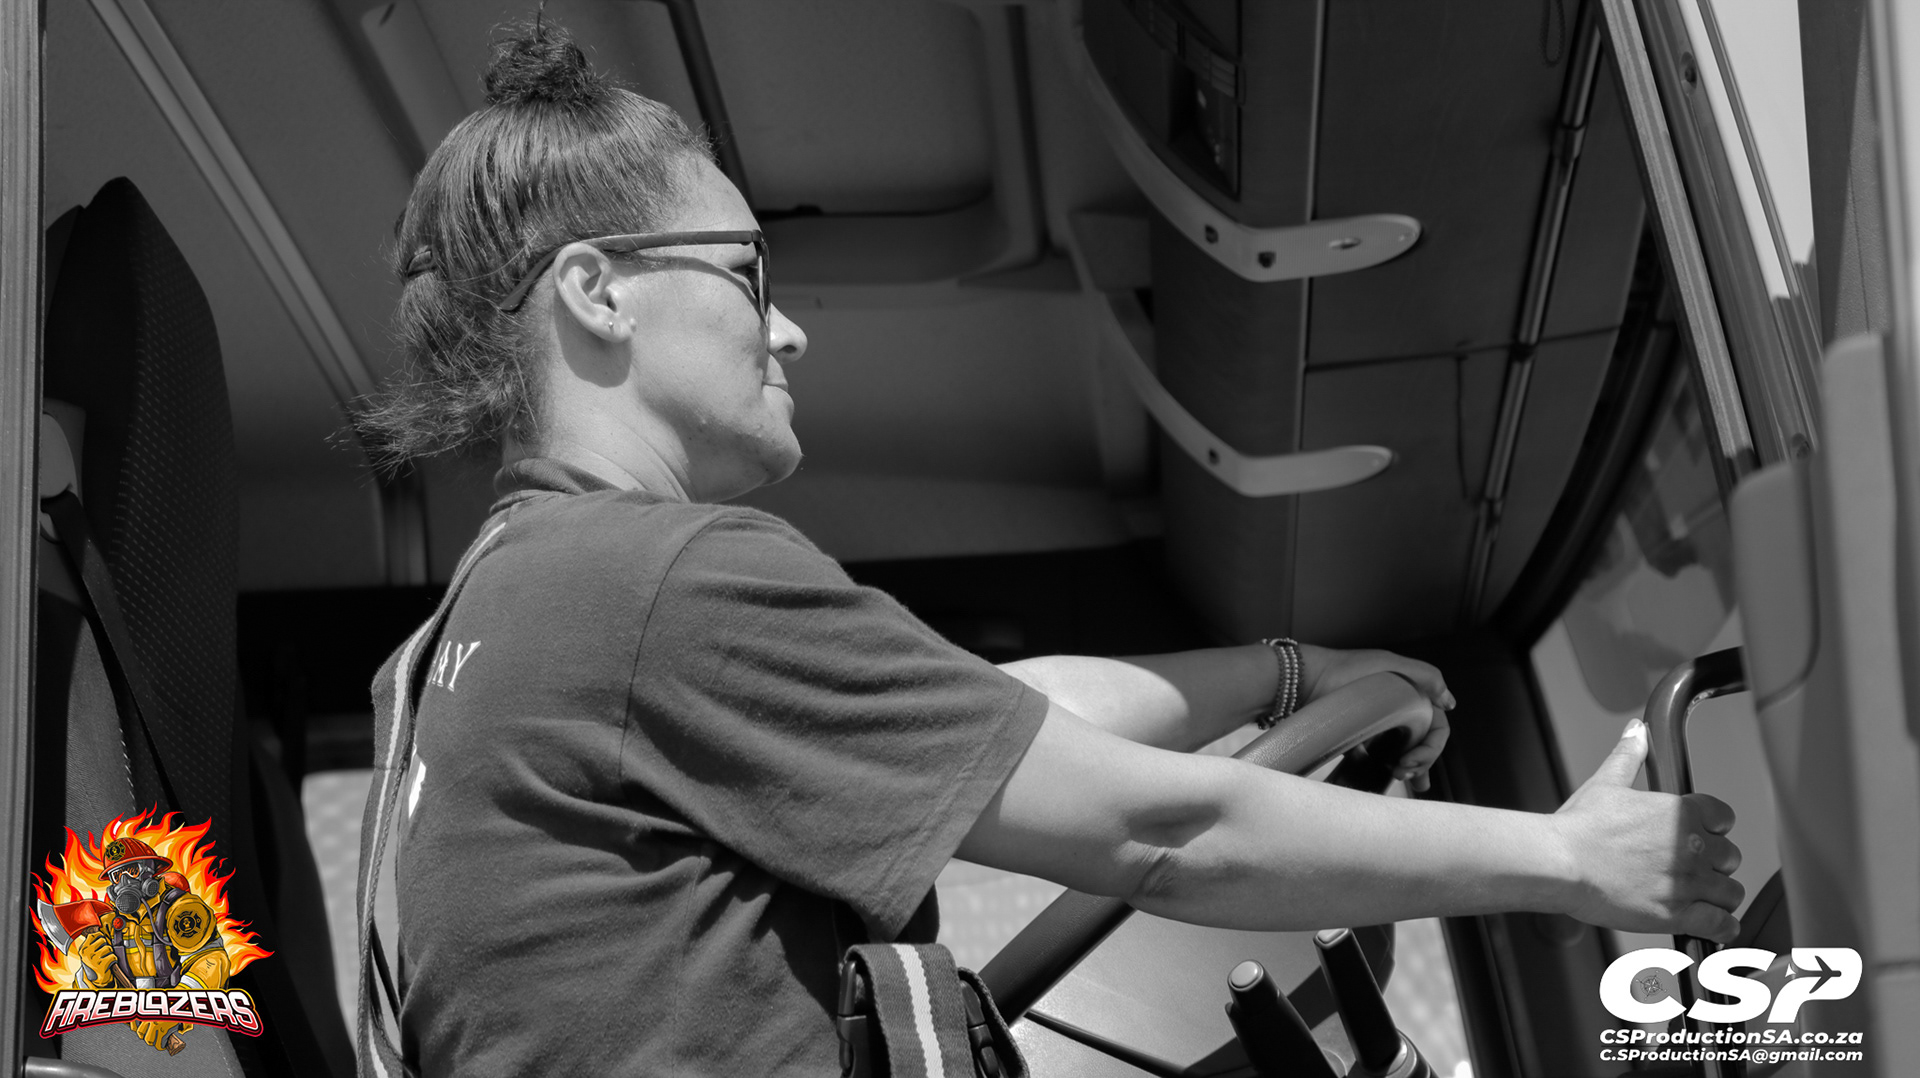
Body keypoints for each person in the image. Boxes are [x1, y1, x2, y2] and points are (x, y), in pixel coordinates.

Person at [354, 19, 1743, 1078]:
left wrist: (1286, 674)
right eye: (747, 272)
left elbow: (988, 724)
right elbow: (1162, 829)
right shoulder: (655, 584)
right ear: (597, 293)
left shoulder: (479, 641)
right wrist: (1567, 856)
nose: (787, 329)